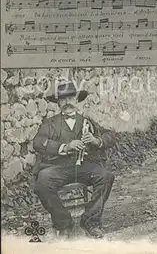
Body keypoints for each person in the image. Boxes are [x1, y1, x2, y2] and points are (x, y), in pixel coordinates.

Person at [32, 81, 115, 239]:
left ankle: (91, 221)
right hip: (59, 168)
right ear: (58, 103)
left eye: (71, 98)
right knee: (42, 183)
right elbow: (38, 142)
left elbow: (110, 136)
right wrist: (65, 146)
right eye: (63, 99)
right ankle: (63, 223)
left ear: (76, 101)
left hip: (84, 166)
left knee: (106, 176)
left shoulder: (87, 121)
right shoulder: (50, 124)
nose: (67, 102)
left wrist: (96, 140)